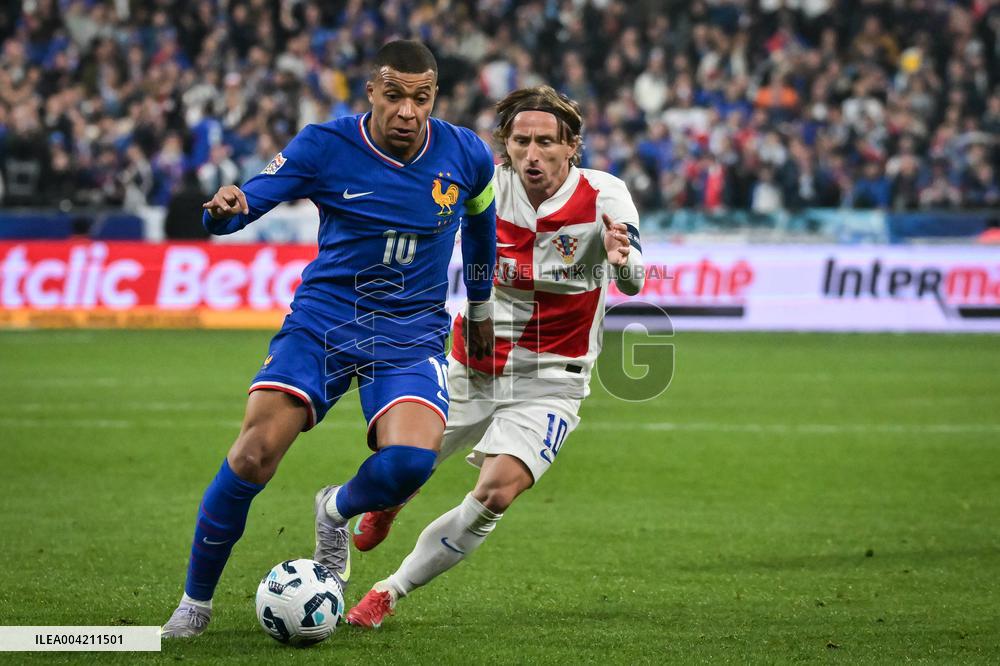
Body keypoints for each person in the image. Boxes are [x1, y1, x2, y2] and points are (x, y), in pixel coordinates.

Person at [160, 40, 497, 638]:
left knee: (410, 464)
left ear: (433, 98)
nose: (407, 111)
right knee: (253, 454)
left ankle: (334, 509)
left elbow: (480, 226)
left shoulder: (466, 154)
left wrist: (479, 305)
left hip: (409, 331)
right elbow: (245, 204)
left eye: (420, 98)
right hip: (327, 319)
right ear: (371, 92)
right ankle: (195, 603)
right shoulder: (326, 145)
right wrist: (223, 212)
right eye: (393, 95)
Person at [344, 85, 645, 628]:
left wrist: (621, 260)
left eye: (546, 142)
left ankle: (390, 591)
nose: (534, 154)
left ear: (570, 145)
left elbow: (633, 275)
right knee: (402, 466)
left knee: (496, 494)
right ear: (504, 146)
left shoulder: (603, 195)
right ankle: (391, 499)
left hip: (554, 379)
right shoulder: (485, 185)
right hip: (473, 365)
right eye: (521, 141)